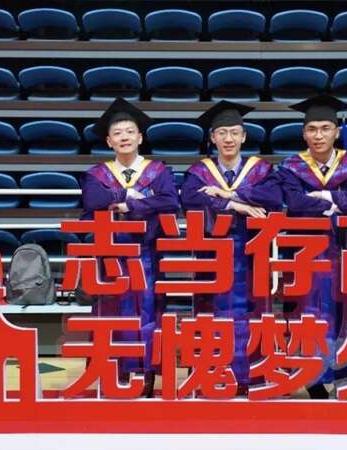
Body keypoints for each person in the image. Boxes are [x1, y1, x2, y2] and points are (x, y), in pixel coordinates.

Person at [78, 97, 179, 397]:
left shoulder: (159, 171)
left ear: (140, 137)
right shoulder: (96, 174)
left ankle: (144, 375)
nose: (124, 137)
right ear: (109, 141)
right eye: (118, 133)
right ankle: (113, 372)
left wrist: (127, 204)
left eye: (130, 132)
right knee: (110, 314)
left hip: (147, 255)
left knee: (147, 315)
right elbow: (93, 201)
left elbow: (170, 202)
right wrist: (132, 195)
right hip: (110, 257)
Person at [180, 101, 282, 395]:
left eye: (234, 133)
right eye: (222, 133)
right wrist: (235, 205)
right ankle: (213, 374)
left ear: (244, 136)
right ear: (212, 137)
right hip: (212, 256)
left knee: (252, 314)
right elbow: (190, 199)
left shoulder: (261, 169)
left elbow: (273, 198)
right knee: (211, 315)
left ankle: (253, 377)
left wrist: (228, 192)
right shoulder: (199, 171)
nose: (228, 139)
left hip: (252, 256)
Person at [277, 94, 347, 399]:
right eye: (312, 129)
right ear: (303, 133)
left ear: (336, 132)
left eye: (325, 128)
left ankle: (343, 377)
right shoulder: (291, 167)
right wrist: (336, 203)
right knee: (306, 313)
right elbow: (295, 203)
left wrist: (322, 197)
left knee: (342, 315)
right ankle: (310, 378)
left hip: (341, 252)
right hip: (303, 253)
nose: (319, 135)